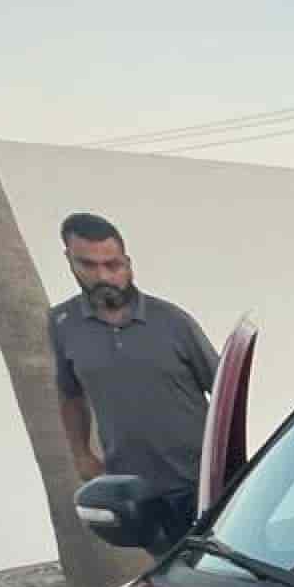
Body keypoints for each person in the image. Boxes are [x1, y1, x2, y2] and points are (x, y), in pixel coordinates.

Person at [50, 213, 218, 545]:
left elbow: (224, 390)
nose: (103, 276)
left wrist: (228, 465)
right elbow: (70, 395)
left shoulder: (172, 321)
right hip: (135, 496)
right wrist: (82, 455)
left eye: (112, 265)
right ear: (70, 261)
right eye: (89, 265)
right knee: (174, 570)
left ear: (128, 264)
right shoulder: (62, 324)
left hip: (203, 485)